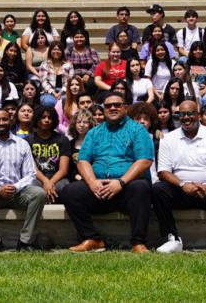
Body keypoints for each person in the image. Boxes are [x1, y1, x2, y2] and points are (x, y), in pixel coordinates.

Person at [60, 91, 154, 253]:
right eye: (108, 105)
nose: (112, 108)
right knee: (70, 191)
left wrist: (121, 182)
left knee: (141, 187)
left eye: (117, 105)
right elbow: (83, 160)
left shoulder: (138, 130)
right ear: (103, 109)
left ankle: (138, 243)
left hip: (127, 189)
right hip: (99, 189)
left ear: (125, 107)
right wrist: (92, 182)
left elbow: (144, 160)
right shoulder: (94, 132)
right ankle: (92, 238)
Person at [150, 100, 206, 255]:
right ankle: (173, 239)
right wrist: (183, 185)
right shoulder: (169, 139)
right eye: (182, 114)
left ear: (198, 115)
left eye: (191, 113)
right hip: (181, 192)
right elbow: (163, 172)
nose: (186, 117)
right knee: (159, 189)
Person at [0, 107, 47, 253]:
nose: (1, 122)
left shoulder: (22, 144)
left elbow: (30, 173)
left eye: (4, 119)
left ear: (10, 121)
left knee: (39, 194)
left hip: (18, 193)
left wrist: (15, 187)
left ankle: (25, 242)